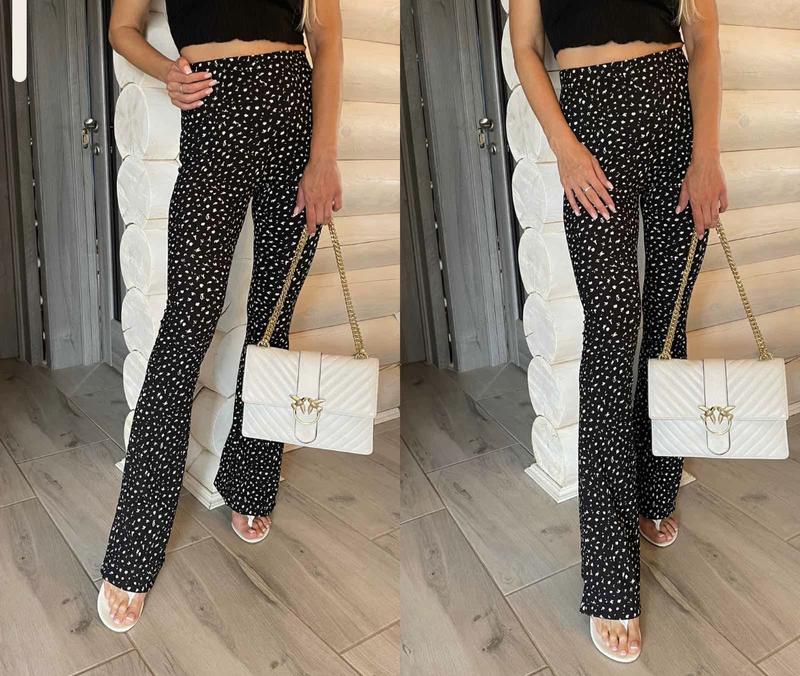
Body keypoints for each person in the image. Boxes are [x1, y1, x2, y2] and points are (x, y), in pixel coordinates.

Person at [98, 0, 343, 631]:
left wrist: (323, 156)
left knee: (273, 322)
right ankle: (135, 544)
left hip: (293, 114)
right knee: (186, 327)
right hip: (214, 113)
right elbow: (122, 27)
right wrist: (166, 70)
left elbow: (326, 37)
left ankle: (251, 481)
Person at [509, 0, 725, 662]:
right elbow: (525, 47)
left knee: (668, 323)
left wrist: (706, 154)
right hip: (590, 120)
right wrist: (565, 148)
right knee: (611, 337)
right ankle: (609, 577)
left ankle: (657, 491)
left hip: (674, 113)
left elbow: (703, 33)